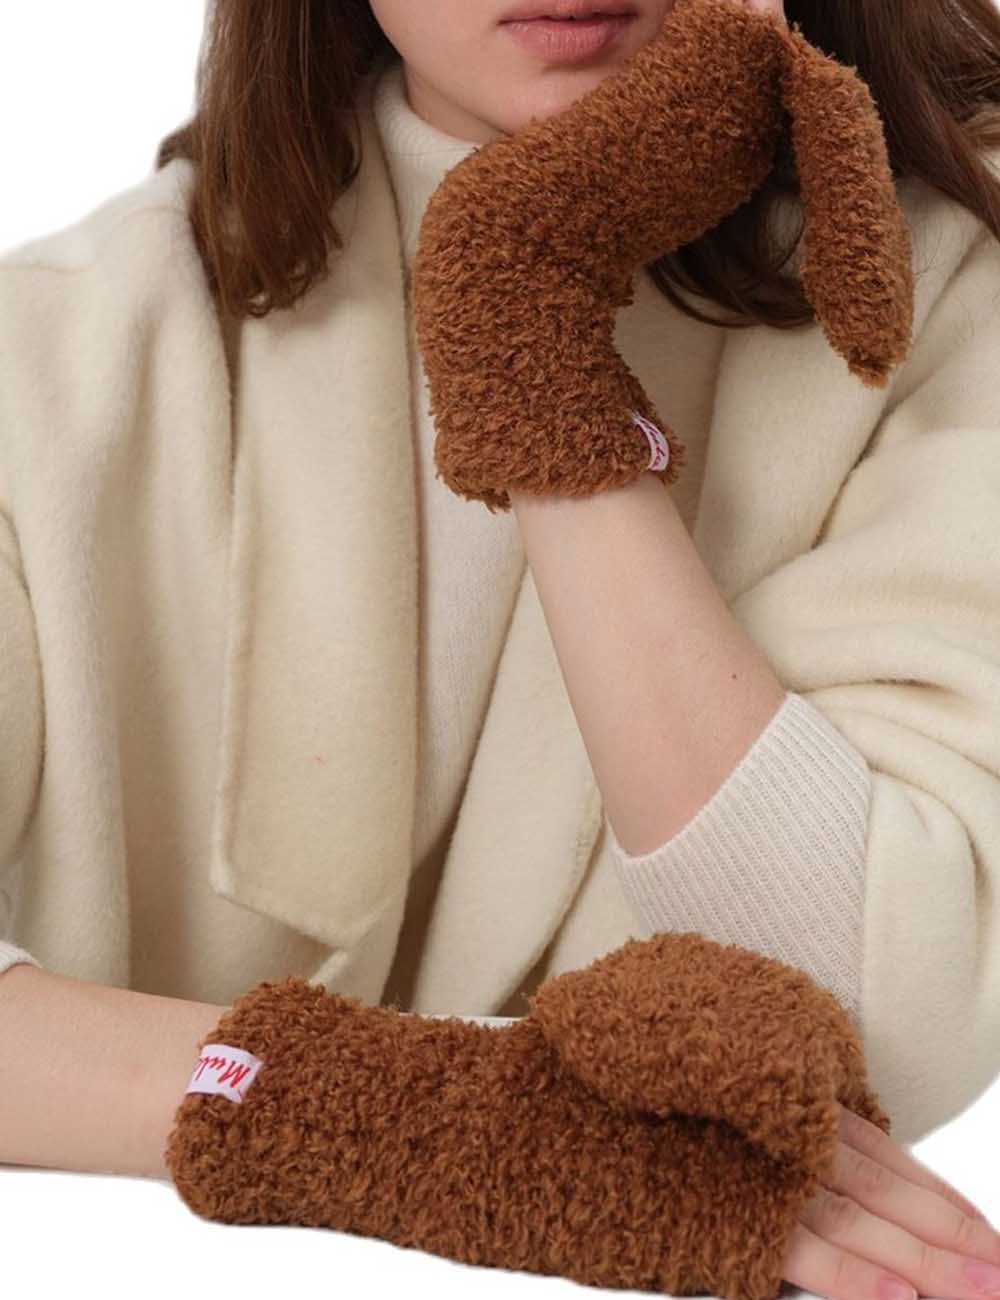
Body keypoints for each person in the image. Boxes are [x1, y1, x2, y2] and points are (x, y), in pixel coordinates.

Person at [2, 1, 1000, 1296]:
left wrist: (527, 323)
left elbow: (869, 1027)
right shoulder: (57, 350)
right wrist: (411, 1122)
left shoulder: (955, 295)